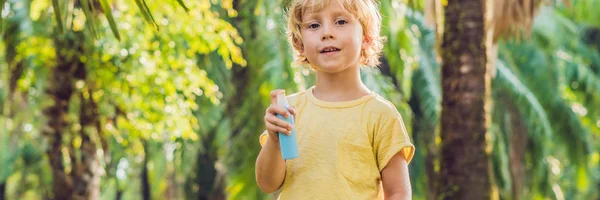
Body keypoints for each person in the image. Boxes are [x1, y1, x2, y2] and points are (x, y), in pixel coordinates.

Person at [255, 0, 415, 199]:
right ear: (299, 43)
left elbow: (398, 192)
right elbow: (267, 183)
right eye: (314, 25)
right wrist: (274, 141)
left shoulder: (381, 114)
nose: (326, 33)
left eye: (340, 22)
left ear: (366, 37)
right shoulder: (290, 111)